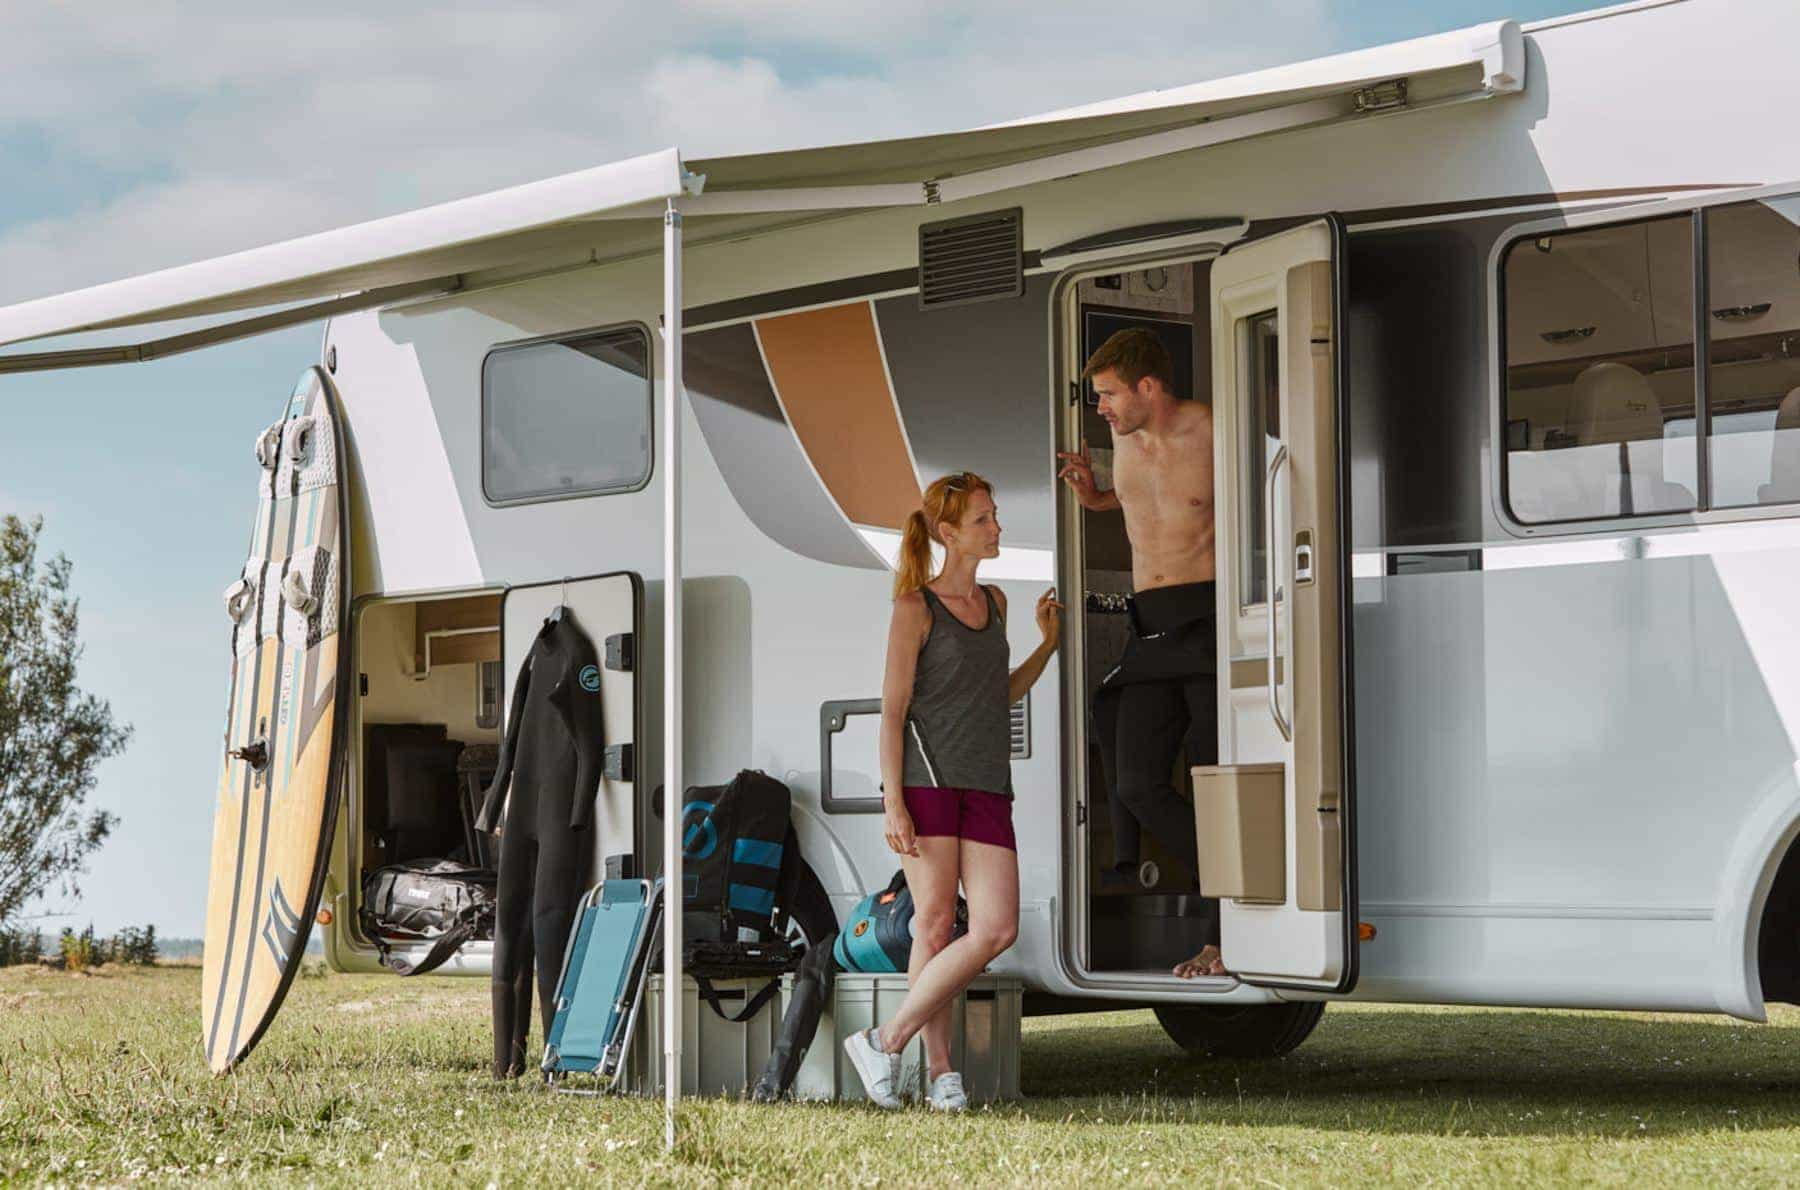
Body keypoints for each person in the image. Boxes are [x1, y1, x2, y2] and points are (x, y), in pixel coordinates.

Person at [842, 472, 1061, 1111]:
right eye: (984, 521)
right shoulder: (914, 607)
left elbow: (998, 694)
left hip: (989, 785)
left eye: (995, 518)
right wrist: (893, 801)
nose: (996, 530)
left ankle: (885, 1040)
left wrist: (1048, 644)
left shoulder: (994, 604)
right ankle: (941, 1073)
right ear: (947, 533)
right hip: (928, 784)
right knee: (934, 925)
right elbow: (892, 711)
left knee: (994, 927)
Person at [1057, 327, 1226, 980]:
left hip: (1210, 623)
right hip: (1150, 627)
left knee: (1212, 786)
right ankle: (1229, 892)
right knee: (1135, 782)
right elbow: (1139, 506)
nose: (1099, 408)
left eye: (1106, 394)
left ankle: (1224, 932)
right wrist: (1092, 495)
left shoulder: (1214, 433)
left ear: (1148, 388)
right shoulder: (1123, 444)